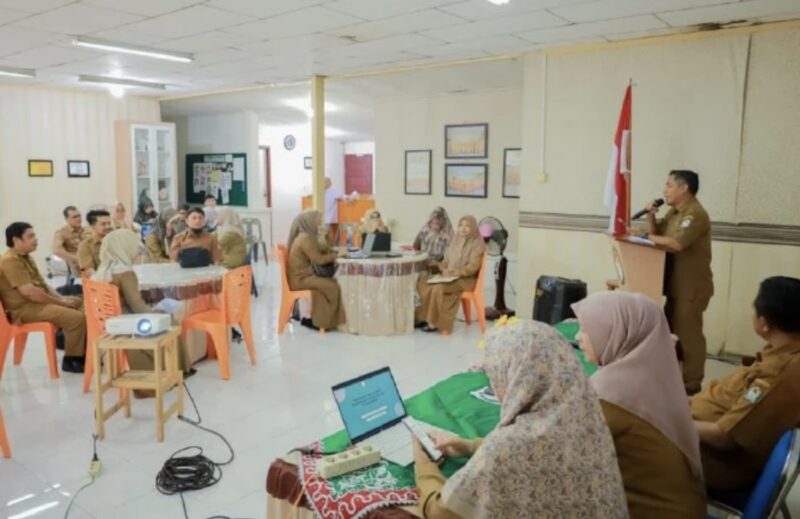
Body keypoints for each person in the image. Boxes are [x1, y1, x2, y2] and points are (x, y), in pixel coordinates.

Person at [414, 320, 627, 518]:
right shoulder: (587, 419)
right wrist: (470, 446)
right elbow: (542, 454)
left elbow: (440, 513)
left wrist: (423, 463)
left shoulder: (509, 445)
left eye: (495, 375)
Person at [572, 292, 705, 518]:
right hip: (684, 507)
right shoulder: (656, 376)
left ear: (617, 332)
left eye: (587, 329)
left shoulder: (612, 394)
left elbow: (565, 449)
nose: (578, 337)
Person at [691, 276, 800, 490]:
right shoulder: (780, 350)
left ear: (765, 323)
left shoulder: (779, 375)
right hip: (696, 428)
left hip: (713, 461)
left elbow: (724, 437)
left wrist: (672, 423)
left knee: (627, 447)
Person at [630, 169, 713, 395]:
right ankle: (673, 376)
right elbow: (660, 237)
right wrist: (649, 216)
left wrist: (645, 236)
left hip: (691, 287)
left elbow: (675, 243)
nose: (664, 190)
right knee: (671, 332)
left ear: (684, 188)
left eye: (669, 185)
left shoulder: (694, 214)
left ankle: (691, 383)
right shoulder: (675, 213)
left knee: (689, 336)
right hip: (675, 285)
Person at [92, 230, 193, 387]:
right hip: (126, 323)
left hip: (108, 321)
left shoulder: (103, 269)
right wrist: (159, 315)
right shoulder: (125, 272)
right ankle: (178, 371)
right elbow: (137, 306)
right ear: (124, 247)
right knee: (170, 321)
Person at [1, 222, 86, 373]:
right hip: (24, 310)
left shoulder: (26, 257)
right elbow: (29, 292)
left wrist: (64, 300)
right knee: (76, 318)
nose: (36, 239)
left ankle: (81, 351)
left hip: (36, 304)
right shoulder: (10, 261)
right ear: (16, 240)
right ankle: (72, 360)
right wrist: (61, 303)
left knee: (80, 303)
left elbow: (44, 286)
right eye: (31, 236)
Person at [415, 216, 486, 333]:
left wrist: (453, 273)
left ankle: (434, 322)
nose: (463, 228)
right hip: (450, 277)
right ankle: (422, 318)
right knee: (423, 284)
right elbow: (445, 261)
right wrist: (442, 268)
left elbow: (472, 268)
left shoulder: (478, 244)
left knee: (439, 288)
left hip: (466, 280)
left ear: (473, 228)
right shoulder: (455, 241)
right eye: (461, 225)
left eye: (467, 226)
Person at [287, 211, 345, 331]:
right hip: (301, 279)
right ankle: (324, 322)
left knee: (329, 285)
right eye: (318, 221)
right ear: (310, 222)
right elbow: (318, 260)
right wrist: (336, 255)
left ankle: (321, 320)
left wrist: (326, 237)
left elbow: (323, 250)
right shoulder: (305, 238)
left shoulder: (308, 236)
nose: (320, 223)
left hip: (304, 276)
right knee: (332, 286)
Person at [52, 205, 88, 274]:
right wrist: (76, 259)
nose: (78, 219)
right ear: (66, 219)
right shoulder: (61, 232)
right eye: (74, 217)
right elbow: (57, 250)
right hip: (77, 270)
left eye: (79, 216)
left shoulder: (87, 230)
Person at [77, 209, 112, 277]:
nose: (108, 227)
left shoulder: (115, 241)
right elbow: (90, 272)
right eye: (103, 224)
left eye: (109, 223)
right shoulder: (85, 246)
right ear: (92, 226)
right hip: (99, 283)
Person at [323, 177, 345, 243]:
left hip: (329, 217)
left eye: (326, 182)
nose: (324, 184)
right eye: (323, 182)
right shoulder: (320, 191)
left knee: (328, 233)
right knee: (323, 234)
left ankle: (331, 246)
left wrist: (350, 198)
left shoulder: (334, 191)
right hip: (323, 216)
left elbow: (343, 196)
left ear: (330, 183)